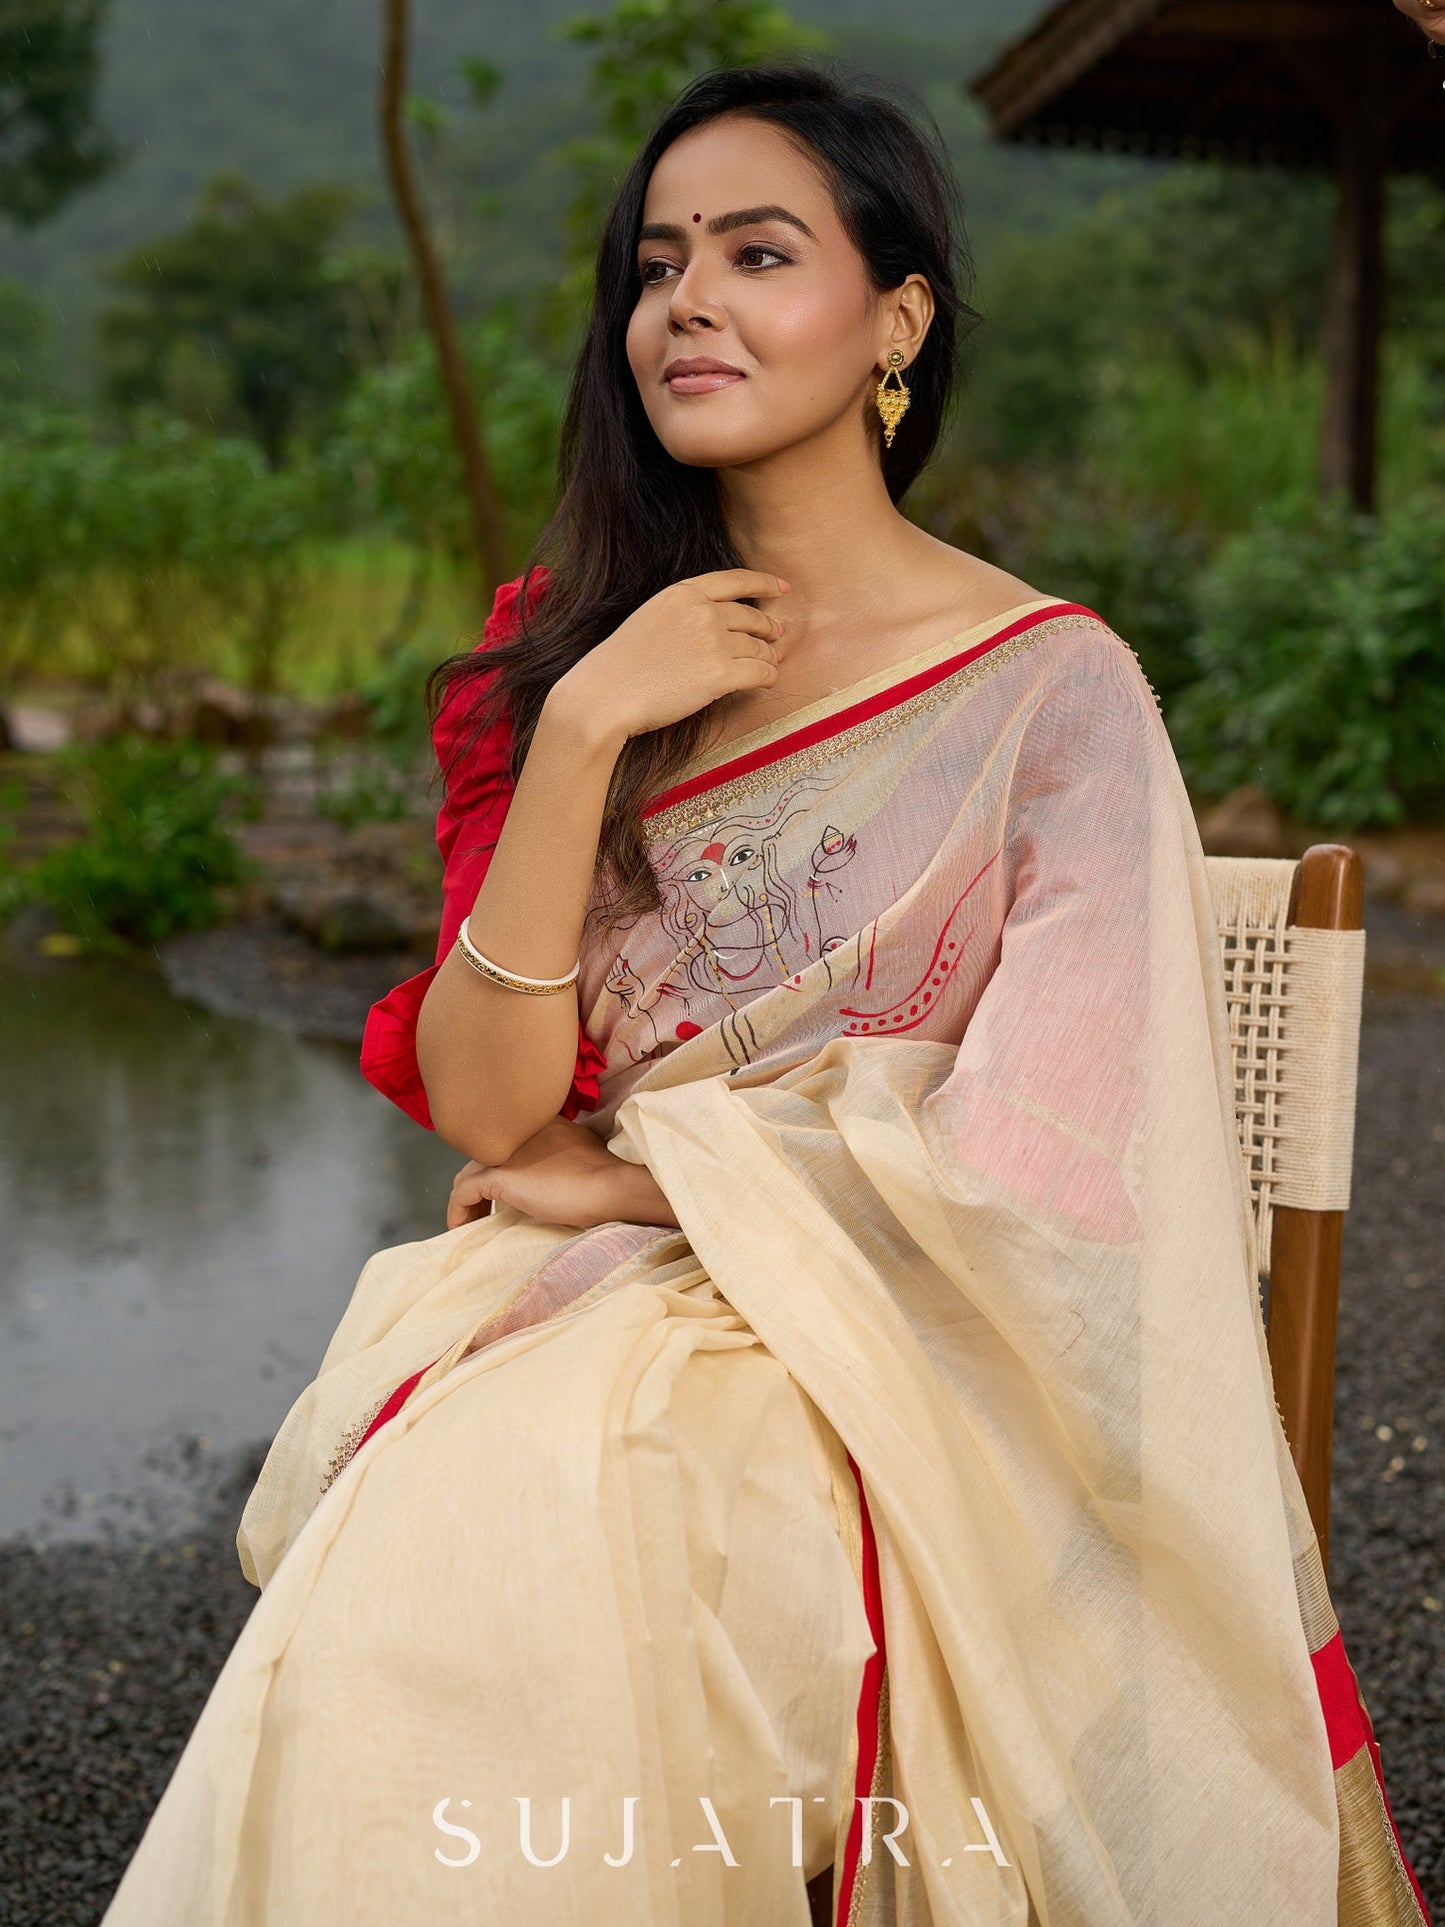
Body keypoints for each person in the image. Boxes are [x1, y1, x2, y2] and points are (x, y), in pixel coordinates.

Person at [101, 59, 1431, 1927]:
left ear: (895, 316)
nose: (688, 303)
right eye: (657, 265)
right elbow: (494, 1113)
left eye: (756, 251)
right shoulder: (579, 662)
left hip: (908, 1347)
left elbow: (1048, 1176)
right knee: (477, 1534)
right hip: (602, 1294)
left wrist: (655, 1182)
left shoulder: (1052, 695)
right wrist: (577, 733)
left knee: (570, 1523)